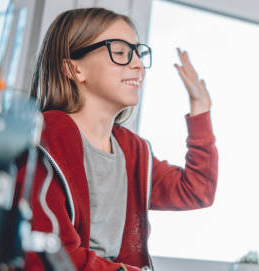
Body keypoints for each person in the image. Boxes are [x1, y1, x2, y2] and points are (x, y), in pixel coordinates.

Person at [19, 7, 218, 270]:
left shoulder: (133, 150)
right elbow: (49, 254)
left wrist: (200, 109)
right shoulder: (44, 139)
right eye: (121, 52)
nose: (137, 64)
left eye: (138, 53)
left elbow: (197, 190)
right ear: (74, 69)